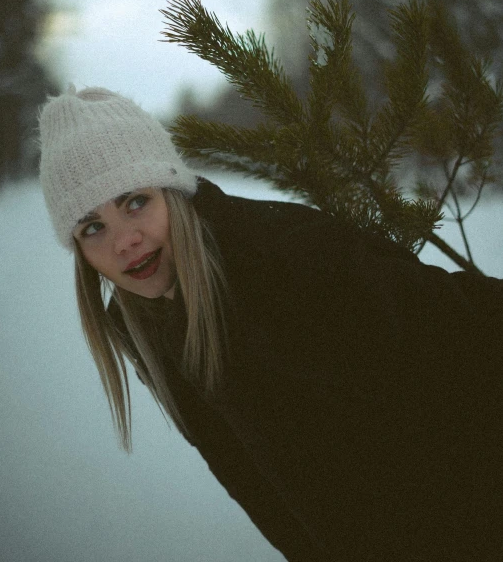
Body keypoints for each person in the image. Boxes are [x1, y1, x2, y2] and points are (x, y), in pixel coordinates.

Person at [38, 85, 503, 562]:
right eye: (92, 227)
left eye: (135, 201)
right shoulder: (144, 323)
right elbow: (265, 489)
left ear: (174, 192)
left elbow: (471, 327)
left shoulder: (283, 253)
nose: (124, 242)